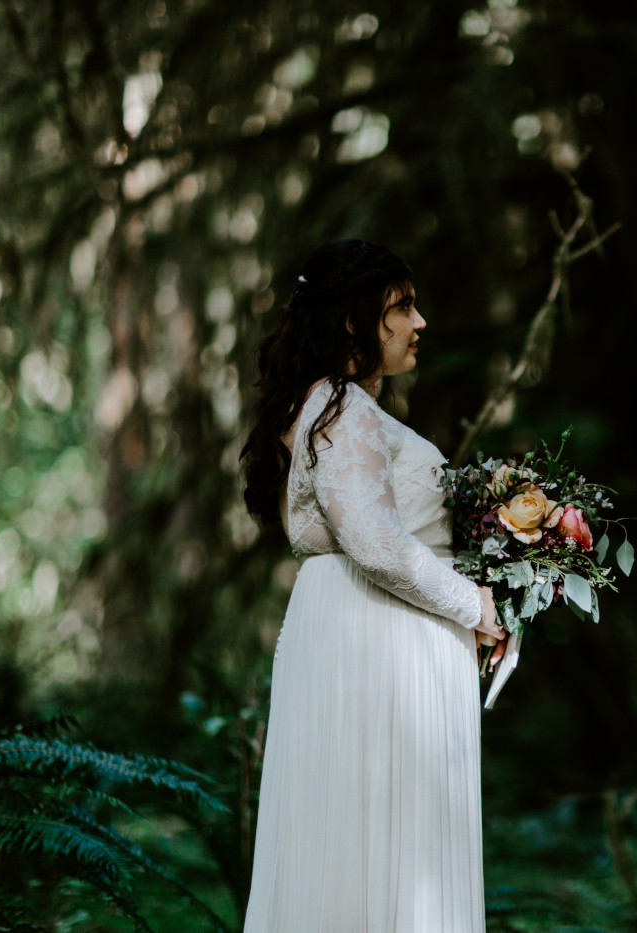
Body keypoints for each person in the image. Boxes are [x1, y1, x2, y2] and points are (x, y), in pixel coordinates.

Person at [239, 238, 507, 932]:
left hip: (374, 635)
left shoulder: (343, 406)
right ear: (356, 320)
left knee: (372, 849)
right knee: (372, 851)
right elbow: (375, 542)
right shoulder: (338, 404)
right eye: (402, 307)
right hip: (376, 642)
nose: (420, 323)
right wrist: (472, 603)